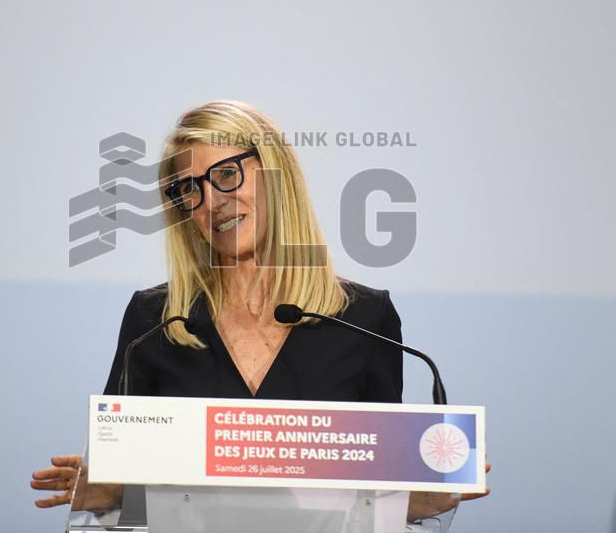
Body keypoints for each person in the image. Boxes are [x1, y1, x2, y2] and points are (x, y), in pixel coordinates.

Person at [32, 100, 490, 518]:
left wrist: (416, 501)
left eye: (227, 174)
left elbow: (374, 490)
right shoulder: (155, 321)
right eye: (189, 189)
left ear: (275, 173)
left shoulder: (365, 319)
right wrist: (109, 493)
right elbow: (128, 482)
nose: (213, 202)